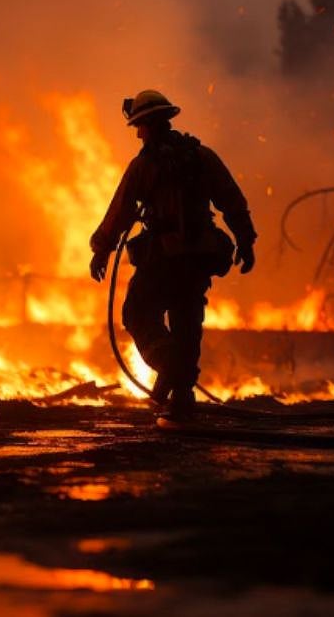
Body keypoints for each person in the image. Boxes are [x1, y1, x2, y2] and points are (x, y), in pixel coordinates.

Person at [89, 89, 256, 420]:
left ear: (149, 125)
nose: (138, 134)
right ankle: (182, 398)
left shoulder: (144, 166)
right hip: (199, 258)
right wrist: (245, 240)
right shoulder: (203, 157)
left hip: (162, 259)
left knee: (137, 314)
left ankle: (172, 370)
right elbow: (232, 200)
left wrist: (101, 249)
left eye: (139, 127)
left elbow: (120, 212)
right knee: (187, 322)